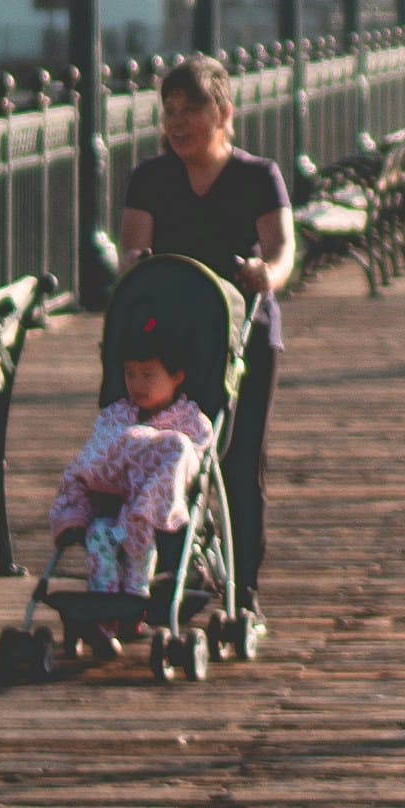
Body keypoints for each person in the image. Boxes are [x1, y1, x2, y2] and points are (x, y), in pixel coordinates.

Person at [114, 59, 297, 628]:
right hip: (169, 344)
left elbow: (284, 250)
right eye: (169, 112)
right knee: (164, 456)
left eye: (190, 110)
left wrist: (267, 274)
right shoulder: (149, 178)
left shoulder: (258, 175)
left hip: (242, 337)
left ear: (223, 113)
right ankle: (166, 573)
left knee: (238, 464)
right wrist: (132, 270)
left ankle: (244, 588)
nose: (177, 122)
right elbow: (131, 255)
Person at [41, 340, 224, 608]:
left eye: (147, 375)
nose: (137, 385)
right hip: (110, 510)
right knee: (98, 536)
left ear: (176, 377)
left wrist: (151, 444)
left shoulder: (191, 420)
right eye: (130, 375)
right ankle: (103, 608)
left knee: (177, 446)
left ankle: (135, 596)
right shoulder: (117, 415)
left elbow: (193, 459)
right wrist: (132, 442)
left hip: (154, 513)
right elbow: (98, 450)